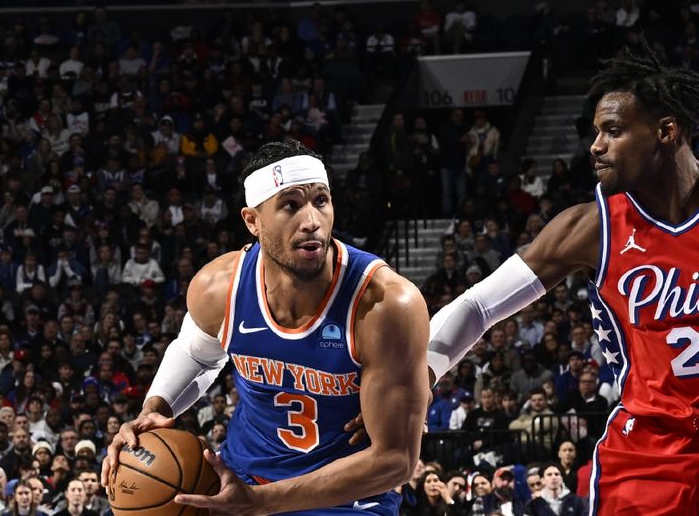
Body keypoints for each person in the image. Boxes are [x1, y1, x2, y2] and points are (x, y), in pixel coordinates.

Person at [427, 39, 699, 514]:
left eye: (612, 131)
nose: (595, 146)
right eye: (595, 132)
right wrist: (417, 373)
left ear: (666, 131)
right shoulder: (589, 227)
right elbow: (479, 305)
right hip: (649, 452)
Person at [102, 140, 430, 515]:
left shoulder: (385, 304)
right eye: (290, 205)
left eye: (321, 200)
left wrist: (261, 504)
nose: (311, 221)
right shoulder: (218, 287)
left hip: (347, 495)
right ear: (252, 221)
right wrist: (154, 407)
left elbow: (395, 461)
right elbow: (194, 354)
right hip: (244, 476)